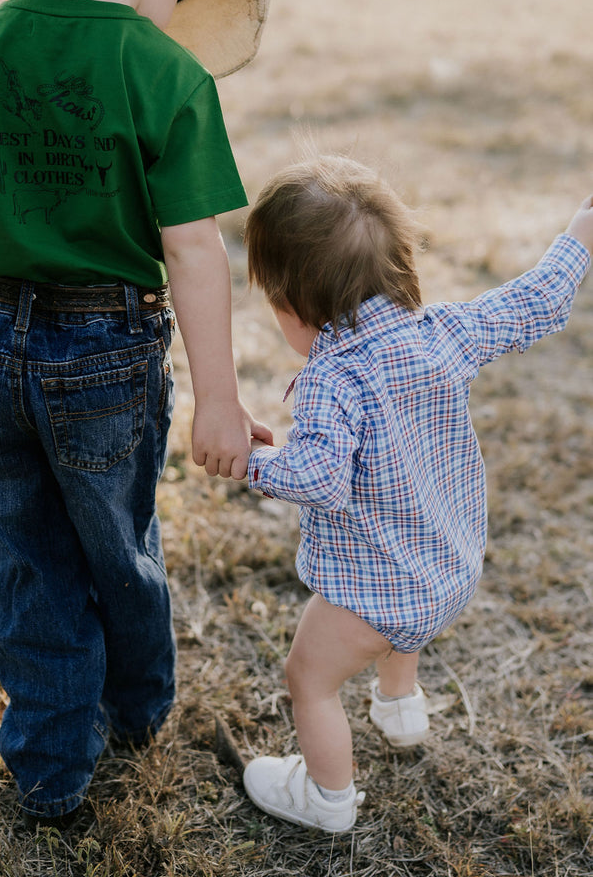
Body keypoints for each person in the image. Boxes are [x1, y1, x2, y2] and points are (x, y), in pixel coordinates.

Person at [0, 0, 273, 827]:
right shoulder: (166, 70)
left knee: (22, 545)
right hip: (106, 346)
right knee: (115, 537)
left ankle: (49, 765)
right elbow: (193, 251)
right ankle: (135, 705)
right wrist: (218, 398)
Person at [241, 154, 592, 832]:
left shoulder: (332, 379)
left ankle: (326, 798)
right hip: (446, 575)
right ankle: (400, 709)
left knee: (308, 680)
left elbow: (318, 478)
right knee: (403, 592)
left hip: (373, 596)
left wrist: (251, 464)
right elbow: (537, 299)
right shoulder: (443, 333)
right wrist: (579, 229)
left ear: (293, 304)